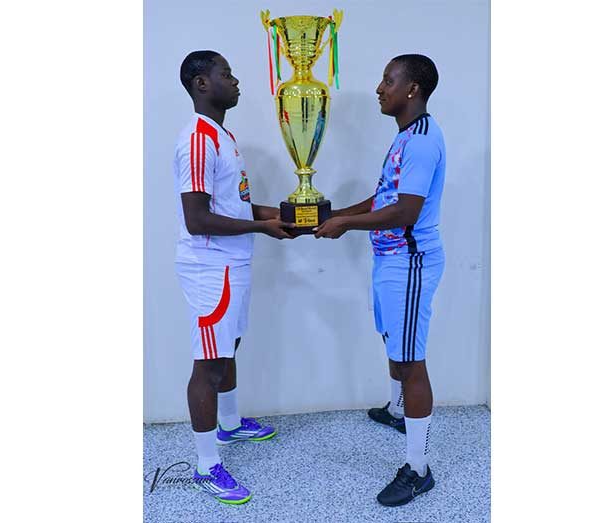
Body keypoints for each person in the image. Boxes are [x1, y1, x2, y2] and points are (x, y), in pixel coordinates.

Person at [315, 54, 445, 507]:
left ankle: (418, 469)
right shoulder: (406, 136)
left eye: (388, 80)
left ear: (413, 89)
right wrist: (336, 213)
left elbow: (405, 211)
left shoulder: (422, 141)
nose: (379, 88)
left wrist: (346, 225)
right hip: (390, 258)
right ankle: (397, 410)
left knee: (411, 361)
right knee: (394, 341)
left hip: (410, 262)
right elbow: (385, 197)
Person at [174, 50, 294, 505]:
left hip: (233, 262)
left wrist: (283, 214)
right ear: (202, 84)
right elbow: (197, 219)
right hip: (210, 266)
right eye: (226, 74)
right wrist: (263, 228)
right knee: (209, 364)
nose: (236, 80)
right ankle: (206, 467)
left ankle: (229, 423)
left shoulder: (222, 135)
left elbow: (235, 206)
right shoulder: (197, 139)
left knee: (229, 347)